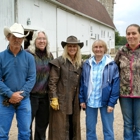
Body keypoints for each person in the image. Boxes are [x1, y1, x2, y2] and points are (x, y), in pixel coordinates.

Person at [0, 23, 36, 140]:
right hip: (5, 99)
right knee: (2, 133)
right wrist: (10, 94)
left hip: (23, 100)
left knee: (25, 133)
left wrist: (19, 96)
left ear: (23, 39)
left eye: (19, 37)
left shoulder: (29, 57)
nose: (17, 39)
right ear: (8, 37)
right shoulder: (1, 57)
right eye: (14, 36)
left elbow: (31, 79)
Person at [79, 39, 120, 140]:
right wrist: (82, 99)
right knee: (90, 129)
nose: (98, 49)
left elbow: (115, 85)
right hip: (90, 101)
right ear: (93, 49)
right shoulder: (87, 64)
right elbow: (82, 82)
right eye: (96, 47)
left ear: (105, 49)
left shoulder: (111, 65)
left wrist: (111, 103)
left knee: (108, 129)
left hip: (105, 102)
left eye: (101, 47)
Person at [48, 35, 83, 140]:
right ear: (66, 48)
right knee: (60, 128)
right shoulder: (59, 62)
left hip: (75, 100)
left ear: (77, 48)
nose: (72, 48)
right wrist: (54, 97)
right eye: (70, 46)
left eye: (74, 46)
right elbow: (52, 82)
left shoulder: (79, 63)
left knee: (73, 126)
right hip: (61, 101)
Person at [26, 30, 54, 140]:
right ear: (34, 41)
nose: (42, 41)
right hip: (30, 96)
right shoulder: (27, 54)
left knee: (42, 127)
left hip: (45, 97)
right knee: (27, 126)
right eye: (39, 38)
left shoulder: (49, 55)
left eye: (44, 39)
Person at [114, 24, 140, 140]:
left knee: (139, 126)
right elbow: (114, 69)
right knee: (128, 124)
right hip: (124, 94)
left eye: (134, 33)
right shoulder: (121, 51)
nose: (131, 36)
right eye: (128, 34)